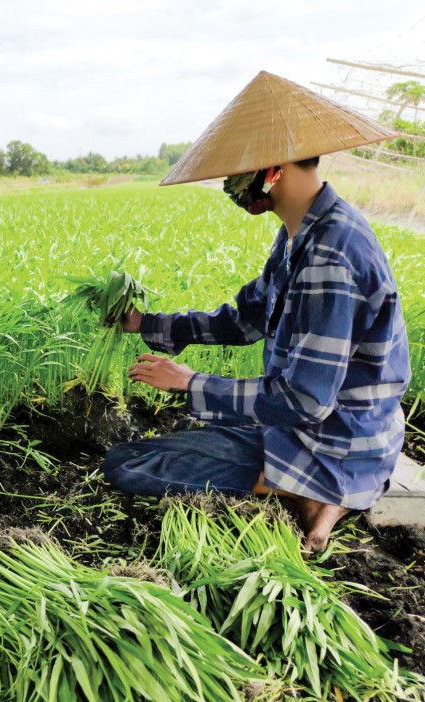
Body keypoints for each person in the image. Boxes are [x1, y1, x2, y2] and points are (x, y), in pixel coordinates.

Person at [101, 71, 412, 553]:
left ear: (274, 169)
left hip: (330, 441)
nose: (230, 185)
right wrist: (146, 324)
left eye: (238, 172)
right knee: (198, 427)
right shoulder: (300, 233)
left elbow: (306, 400)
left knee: (127, 463)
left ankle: (309, 490)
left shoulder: (330, 257)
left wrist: (189, 382)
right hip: (321, 428)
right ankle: (315, 490)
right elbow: (244, 319)